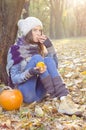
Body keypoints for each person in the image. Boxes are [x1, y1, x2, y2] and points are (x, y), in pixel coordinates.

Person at [6, 17, 80, 115]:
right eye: (35, 30)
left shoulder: (38, 47)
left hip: (40, 94)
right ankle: (56, 98)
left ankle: (63, 99)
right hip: (26, 94)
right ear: (27, 32)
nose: (38, 33)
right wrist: (31, 72)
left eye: (40, 30)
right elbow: (14, 78)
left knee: (48, 60)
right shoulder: (15, 50)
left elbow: (54, 66)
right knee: (37, 58)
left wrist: (49, 47)